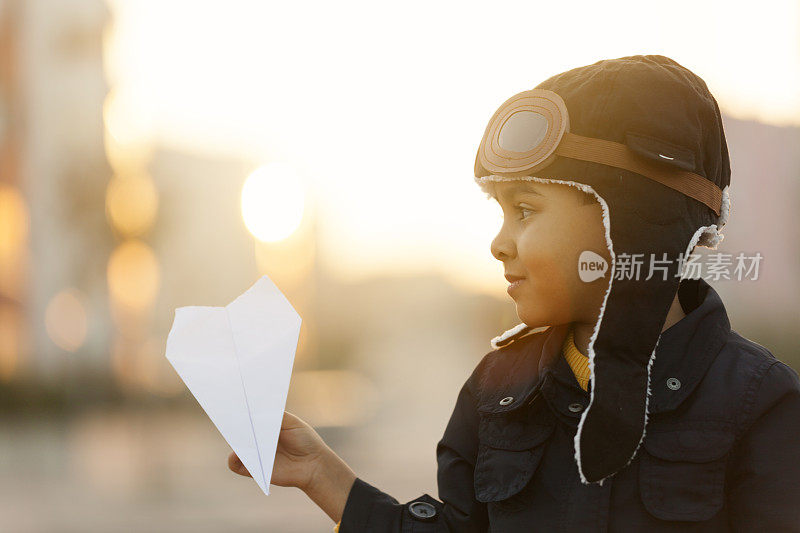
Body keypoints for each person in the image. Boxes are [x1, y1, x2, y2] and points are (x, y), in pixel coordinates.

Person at [227, 55, 800, 531]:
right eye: (499, 213)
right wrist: (324, 475)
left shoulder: (759, 405)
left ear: (628, 220)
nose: (499, 244)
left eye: (525, 210)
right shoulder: (496, 390)